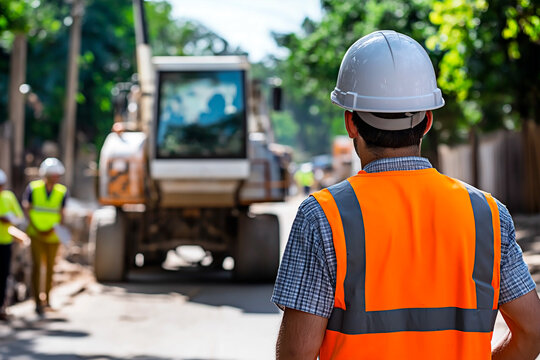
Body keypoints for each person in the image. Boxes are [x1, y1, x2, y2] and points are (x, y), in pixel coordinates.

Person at [272, 30, 540, 359]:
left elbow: (296, 354)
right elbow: (531, 333)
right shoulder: (488, 215)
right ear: (427, 121)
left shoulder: (322, 217)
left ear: (351, 124)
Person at [23, 158, 68, 315]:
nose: (56, 178)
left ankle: (47, 300)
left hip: (53, 235)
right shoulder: (33, 188)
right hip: (36, 234)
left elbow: (62, 214)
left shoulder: (61, 191)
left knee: (50, 268)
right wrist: (36, 227)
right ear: (46, 175)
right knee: (36, 267)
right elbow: (27, 210)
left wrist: (53, 229)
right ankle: (36, 302)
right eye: (53, 175)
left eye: (57, 175)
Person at [0, 169, 25, 320]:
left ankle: (2, 306)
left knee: (3, 276)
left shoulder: (8, 197)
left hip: (5, 243)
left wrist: (9, 220)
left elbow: (19, 218)